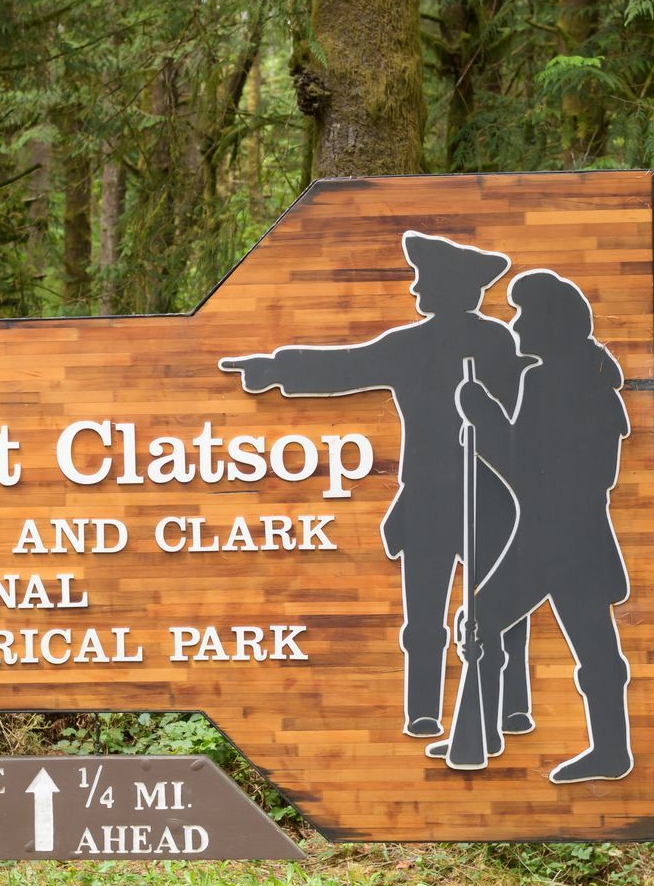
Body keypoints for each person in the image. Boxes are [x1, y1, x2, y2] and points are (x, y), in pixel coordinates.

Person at [220, 230, 533, 741]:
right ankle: (425, 714)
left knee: (498, 609)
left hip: (487, 493)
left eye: (425, 279)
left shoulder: (496, 343)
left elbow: (514, 414)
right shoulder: (414, 343)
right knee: (426, 619)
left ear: (452, 286)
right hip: (429, 497)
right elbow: (345, 366)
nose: (414, 289)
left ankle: (509, 708)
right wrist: (274, 368)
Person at [434, 268, 634, 783]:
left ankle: (606, 752)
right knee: (579, 644)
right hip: (566, 537)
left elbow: (530, 472)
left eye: (523, 313)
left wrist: (483, 416)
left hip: (555, 540)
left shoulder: (548, 380)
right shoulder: (586, 378)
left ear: (550, 321)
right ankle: (485, 733)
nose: (516, 324)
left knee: (493, 623)